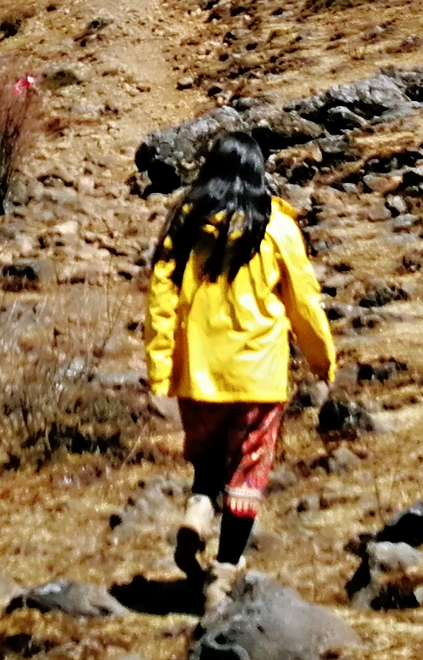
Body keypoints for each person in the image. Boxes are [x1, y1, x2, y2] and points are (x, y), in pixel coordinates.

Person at [141, 131, 335, 612]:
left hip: (199, 374)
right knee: (247, 471)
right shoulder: (277, 228)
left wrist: (161, 366)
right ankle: (224, 571)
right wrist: (321, 357)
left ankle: (198, 510)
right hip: (258, 374)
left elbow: (160, 301)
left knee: (208, 462)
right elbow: (304, 302)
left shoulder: (186, 222)